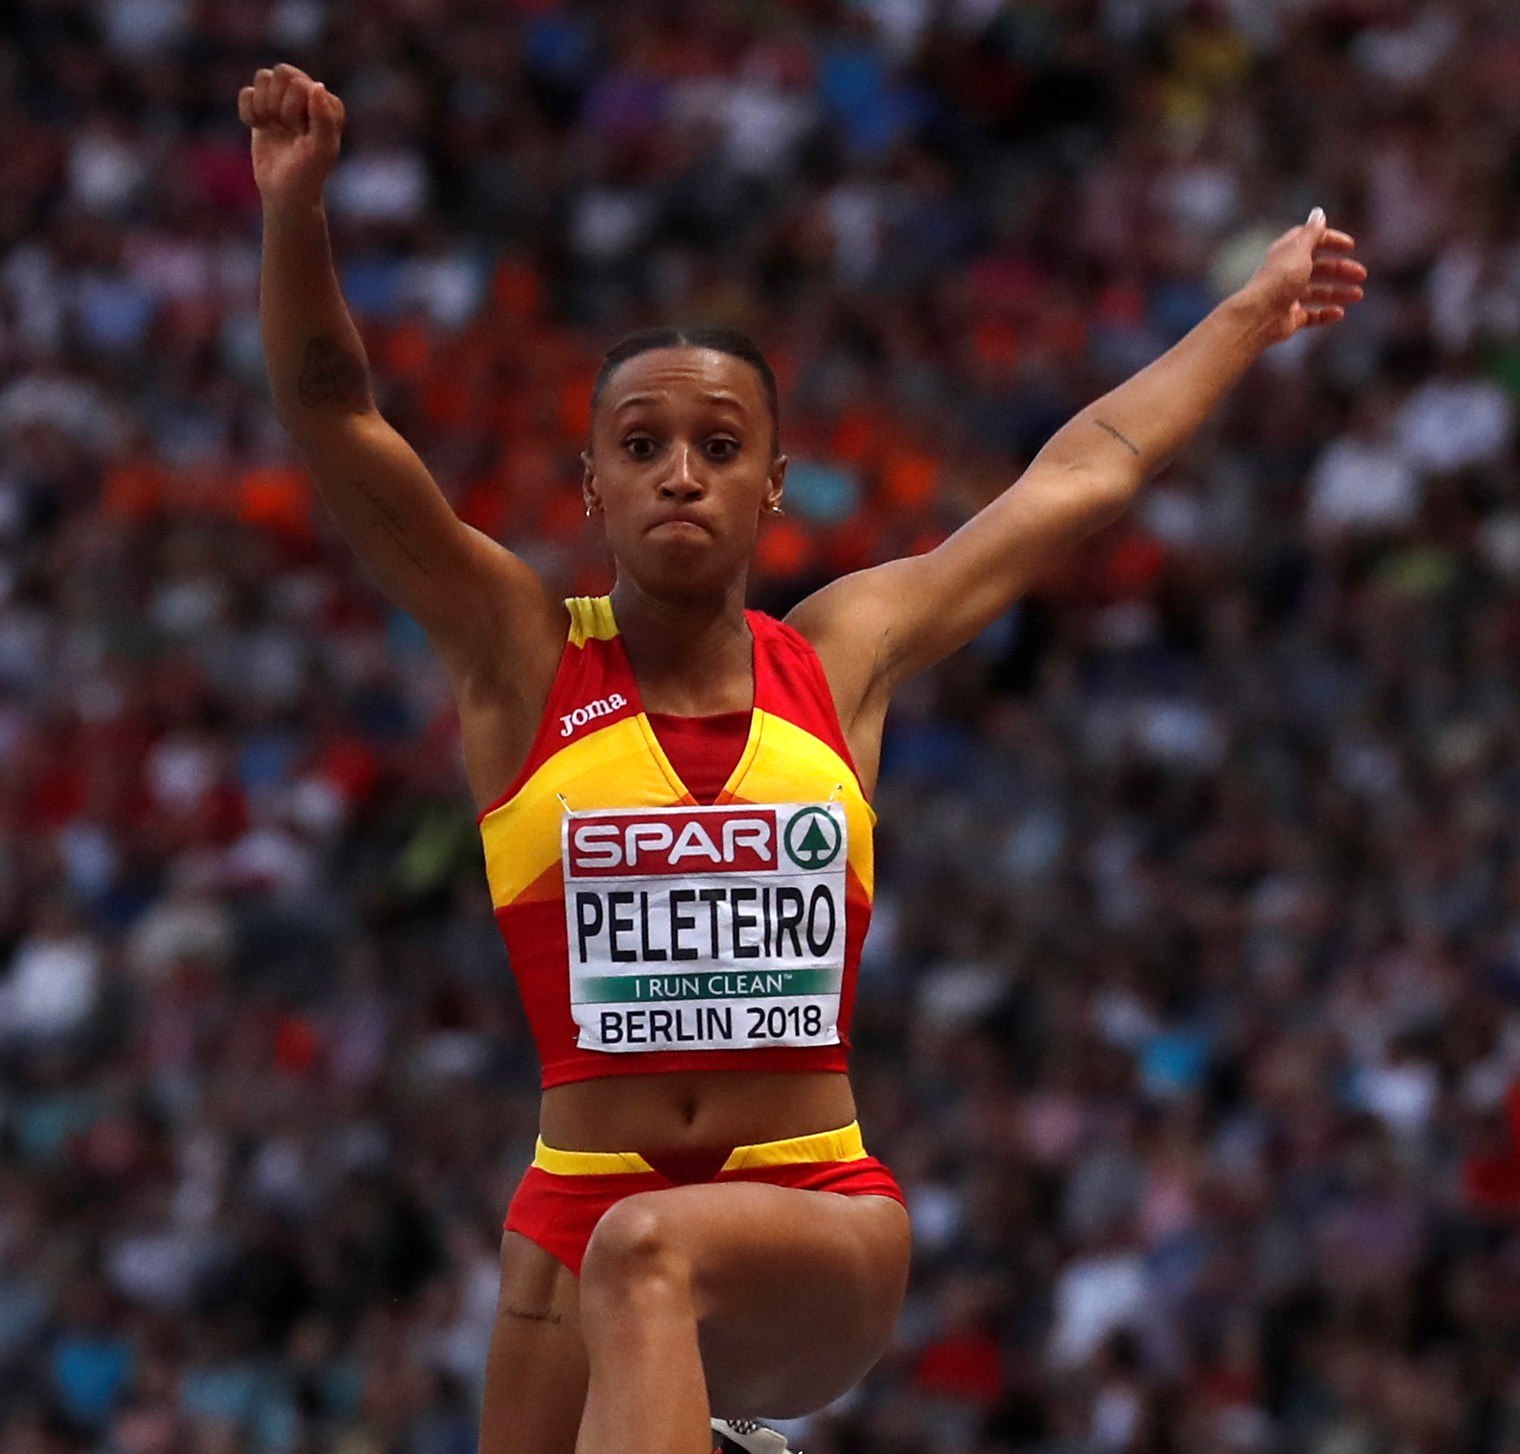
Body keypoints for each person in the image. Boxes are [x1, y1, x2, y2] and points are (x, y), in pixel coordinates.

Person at [236, 62, 1363, 1454]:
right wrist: (295, 211)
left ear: (775, 483)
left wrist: (1250, 313)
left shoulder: (839, 658)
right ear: (590, 484)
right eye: (641, 446)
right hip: (571, 1214)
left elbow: (1085, 472)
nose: (682, 474)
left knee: (647, 1255)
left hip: (814, 1207)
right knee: (619, 1254)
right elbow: (338, 419)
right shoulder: (519, 656)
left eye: (720, 445)